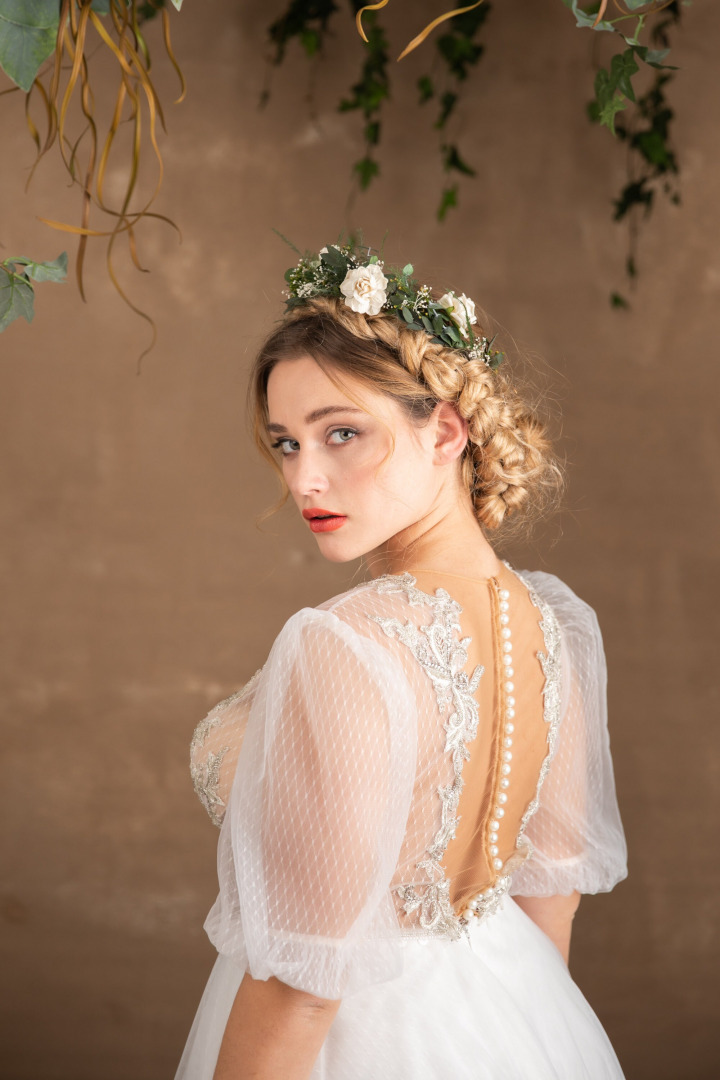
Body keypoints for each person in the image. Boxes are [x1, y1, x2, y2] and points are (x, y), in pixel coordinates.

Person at [175, 238, 628, 1079]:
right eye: (286, 443)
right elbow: (550, 902)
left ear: (445, 430)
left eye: (341, 434)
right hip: (515, 1011)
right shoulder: (553, 624)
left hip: (362, 1040)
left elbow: (303, 992)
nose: (304, 479)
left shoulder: (343, 643)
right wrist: (532, 1042)